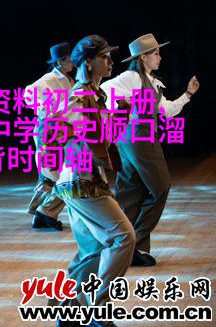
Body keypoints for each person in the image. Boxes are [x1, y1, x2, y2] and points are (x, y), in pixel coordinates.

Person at [53, 36, 135, 327]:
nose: (111, 62)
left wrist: (118, 116)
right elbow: (62, 128)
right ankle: (99, 307)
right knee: (124, 237)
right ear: (88, 62)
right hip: (81, 181)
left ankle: (68, 308)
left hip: (79, 180)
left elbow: (101, 139)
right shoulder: (80, 94)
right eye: (105, 57)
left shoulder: (94, 95)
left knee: (92, 250)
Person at [100, 33, 200, 266]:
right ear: (143, 57)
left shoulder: (151, 82)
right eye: (156, 53)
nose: (160, 57)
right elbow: (103, 91)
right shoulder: (132, 77)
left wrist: (188, 94)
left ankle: (122, 247)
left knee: (131, 192)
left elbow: (167, 110)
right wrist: (123, 105)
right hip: (139, 139)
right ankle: (135, 243)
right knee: (160, 187)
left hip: (130, 139)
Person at [25, 42, 74, 231]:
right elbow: (29, 94)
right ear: (60, 62)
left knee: (60, 174)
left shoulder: (68, 80)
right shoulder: (49, 78)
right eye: (70, 59)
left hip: (60, 129)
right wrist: (45, 109)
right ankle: (44, 212)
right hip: (48, 130)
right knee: (55, 174)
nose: (72, 63)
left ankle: (44, 213)